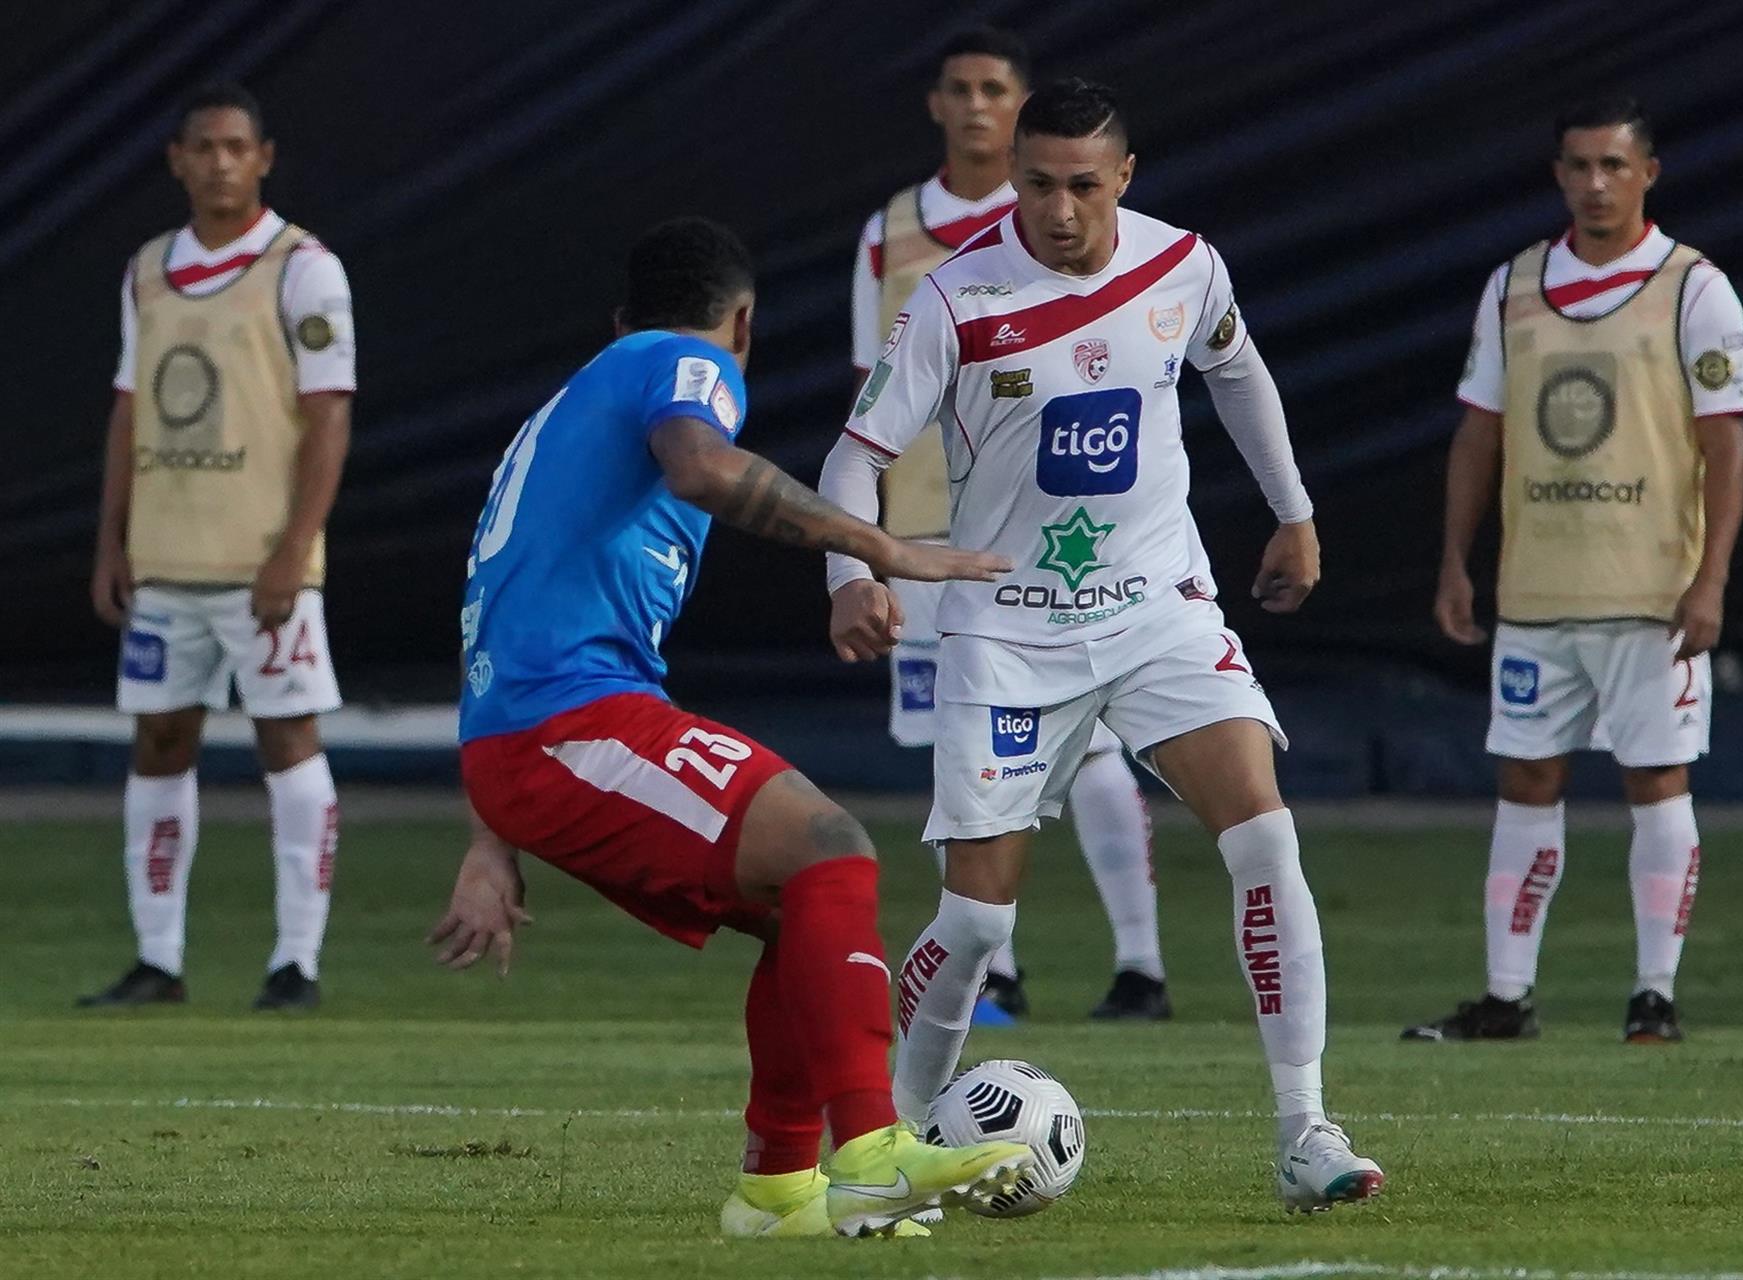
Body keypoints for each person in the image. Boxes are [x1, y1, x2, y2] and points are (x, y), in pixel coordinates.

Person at [820, 79, 1384, 1213]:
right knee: (979, 918)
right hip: (1007, 630)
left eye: (1084, 185)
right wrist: (851, 572)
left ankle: (1305, 1126)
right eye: (1038, 184)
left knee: (1265, 835)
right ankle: (883, 1154)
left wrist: (1295, 508)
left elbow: (1238, 369)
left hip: (1156, 608)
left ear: (1124, 177)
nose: (1060, 208)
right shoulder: (957, 295)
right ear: (1014, 177)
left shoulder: (1186, 265)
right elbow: (852, 454)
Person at [432, 217, 1031, 1240]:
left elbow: (499, 603)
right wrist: (882, 544)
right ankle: (874, 1149)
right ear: (742, 323)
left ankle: (779, 1190)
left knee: (806, 908)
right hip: (569, 723)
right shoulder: (682, 361)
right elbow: (702, 467)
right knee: (830, 844)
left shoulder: (565, 412)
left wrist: (494, 832)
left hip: (540, 732)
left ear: (618, 319)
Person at [1403, 96, 1743, 1045]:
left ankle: (1654, 994)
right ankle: (1507, 997)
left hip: (1652, 594)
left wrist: (1710, 578)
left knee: (1657, 782)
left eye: (1613, 165)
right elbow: (1479, 432)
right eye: (1577, 166)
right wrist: (1456, 562)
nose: (1595, 184)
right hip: (1538, 588)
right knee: (1525, 780)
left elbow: (1726, 446)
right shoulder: (1515, 284)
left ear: (1649, 172)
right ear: (1557, 174)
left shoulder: (1694, 288)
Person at [853, 27, 1170, 1023]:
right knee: (971, 752)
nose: (978, 104)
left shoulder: (1074, 218)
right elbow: (869, 392)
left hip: (1061, 526)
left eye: (996, 87)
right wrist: (865, 540)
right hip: (926, 534)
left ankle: (1141, 965)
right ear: (936, 105)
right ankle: (998, 970)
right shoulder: (891, 231)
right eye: (961, 88)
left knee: (1104, 750)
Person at [81, 83, 354, 1011]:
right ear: (177, 159)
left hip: (264, 566)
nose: (221, 163)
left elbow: (328, 418)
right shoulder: (147, 269)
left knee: (287, 742)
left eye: (238, 146)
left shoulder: (302, 268)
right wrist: (114, 538)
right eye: (204, 147)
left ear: (264, 157)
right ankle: (157, 960)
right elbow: (130, 408)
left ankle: (297, 962)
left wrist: (294, 549)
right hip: (167, 561)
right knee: (159, 742)